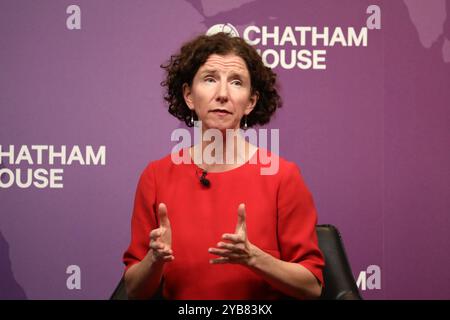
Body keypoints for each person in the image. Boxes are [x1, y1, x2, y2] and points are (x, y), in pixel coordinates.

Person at [122, 32, 324, 300]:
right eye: (209, 79)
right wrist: (155, 259)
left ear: (250, 102)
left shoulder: (282, 176)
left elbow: (312, 288)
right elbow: (134, 291)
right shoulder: (156, 176)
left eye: (236, 82)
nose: (222, 94)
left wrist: (253, 257)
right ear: (189, 96)